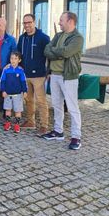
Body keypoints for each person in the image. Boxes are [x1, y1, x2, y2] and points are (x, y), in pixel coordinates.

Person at [43, 12, 84, 150]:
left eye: (61, 20)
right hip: (54, 75)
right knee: (56, 105)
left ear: (70, 21)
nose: (59, 23)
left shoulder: (77, 38)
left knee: (72, 107)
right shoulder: (59, 35)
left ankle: (76, 136)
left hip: (69, 77)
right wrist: (58, 53)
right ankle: (58, 131)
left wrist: (56, 52)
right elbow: (46, 50)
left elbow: (67, 52)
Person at [17, 14, 50, 135]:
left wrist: (49, 72)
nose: (27, 25)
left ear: (34, 22)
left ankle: (44, 125)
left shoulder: (43, 38)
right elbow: (18, 54)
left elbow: (50, 56)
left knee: (41, 101)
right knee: (28, 99)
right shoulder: (22, 38)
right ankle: (30, 122)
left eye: (29, 22)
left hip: (39, 76)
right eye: (25, 23)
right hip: (25, 74)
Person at [0, 51, 28, 133]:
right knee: (8, 109)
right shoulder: (6, 70)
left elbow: (24, 82)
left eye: (15, 59)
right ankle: (8, 123)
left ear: (19, 60)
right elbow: (2, 81)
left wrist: (25, 91)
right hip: (7, 94)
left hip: (18, 94)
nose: (13, 60)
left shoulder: (21, 71)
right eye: (11, 58)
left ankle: (17, 125)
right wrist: (3, 90)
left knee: (18, 110)